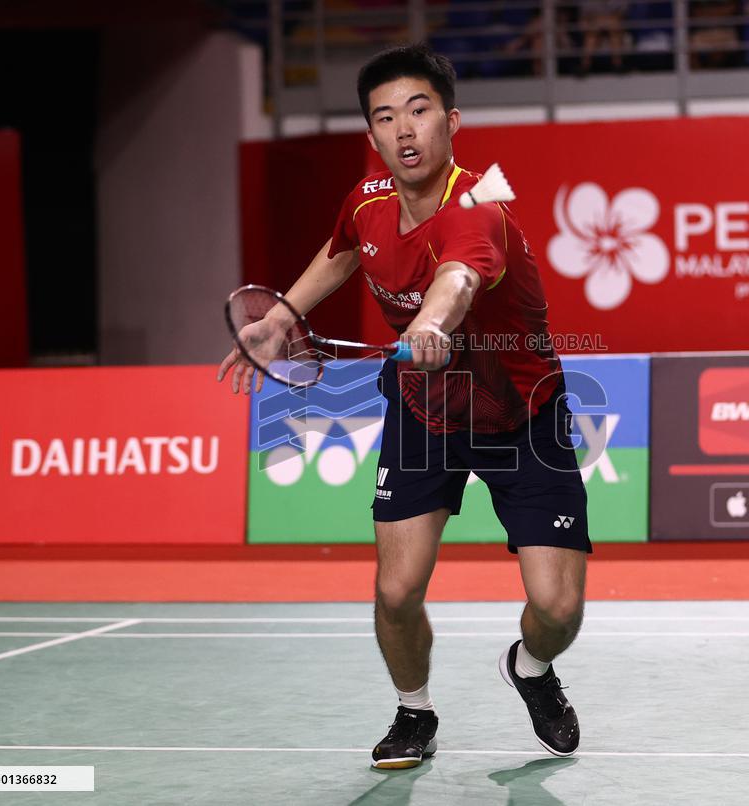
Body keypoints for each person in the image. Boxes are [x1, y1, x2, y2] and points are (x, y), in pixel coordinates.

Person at [217, 43, 591, 770]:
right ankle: (413, 711)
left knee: (558, 609)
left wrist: (428, 325)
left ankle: (533, 670)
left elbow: (455, 278)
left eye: (419, 111)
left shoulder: (480, 208)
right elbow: (344, 247)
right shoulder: (367, 199)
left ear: (450, 121)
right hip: (426, 411)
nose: (404, 130)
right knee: (395, 590)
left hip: (523, 415)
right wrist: (283, 313)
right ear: (372, 135)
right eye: (385, 118)